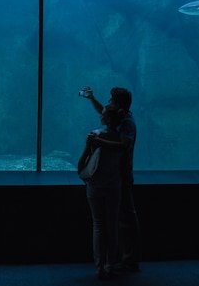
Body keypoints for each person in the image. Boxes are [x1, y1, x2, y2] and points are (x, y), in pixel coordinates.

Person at [82, 85, 142, 273]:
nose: (108, 104)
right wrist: (92, 98)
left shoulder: (127, 123)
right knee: (117, 220)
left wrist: (98, 142)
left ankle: (129, 260)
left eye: (111, 100)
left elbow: (124, 145)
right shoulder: (120, 117)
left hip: (122, 175)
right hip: (114, 176)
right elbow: (104, 112)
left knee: (126, 218)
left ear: (118, 105)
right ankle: (115, 261)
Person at [78, 104, 126, 280]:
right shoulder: (121, 139)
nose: (100, 116)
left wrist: (87, 147)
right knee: (112, 225)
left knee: (98, 225)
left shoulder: (95, 135)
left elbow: (82, 163)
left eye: (103, 114)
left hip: (95, 186)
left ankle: (99, 267)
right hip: (113, 185)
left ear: (107, 118)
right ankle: (110, 264)